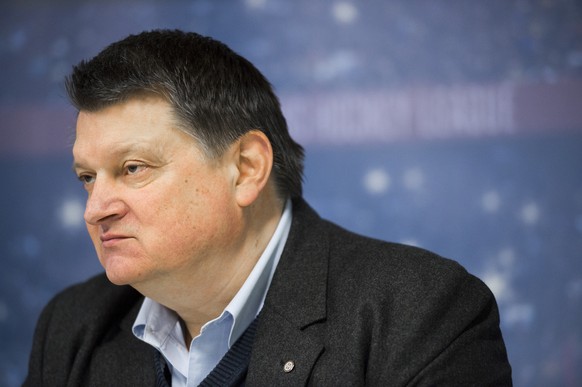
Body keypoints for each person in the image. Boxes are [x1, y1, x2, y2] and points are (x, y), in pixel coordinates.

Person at [24, 29, 512, 386]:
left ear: (246, 168)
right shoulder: (72, 327)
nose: (96, 209)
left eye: (132, 169)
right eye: (88, 178)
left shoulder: (421, 313)